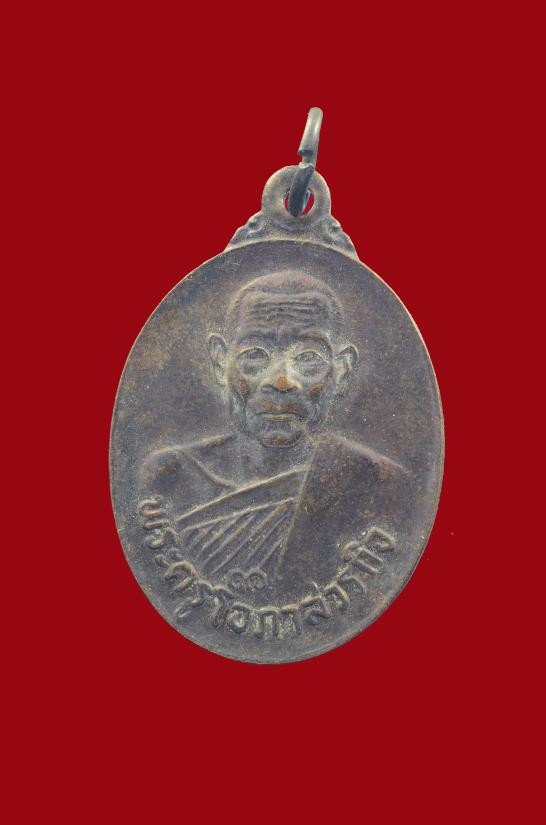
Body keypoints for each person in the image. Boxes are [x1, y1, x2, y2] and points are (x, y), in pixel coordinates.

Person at [140, 270, 406, 594]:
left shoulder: (374, 482)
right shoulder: (170, 477)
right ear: (221, 362)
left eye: (307, 358)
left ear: (342, 370)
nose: (281, 381)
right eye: (255, 354)